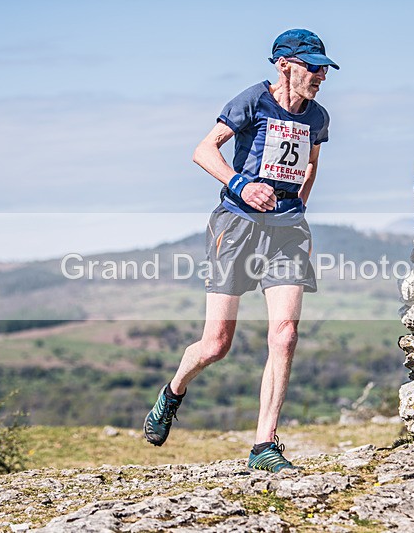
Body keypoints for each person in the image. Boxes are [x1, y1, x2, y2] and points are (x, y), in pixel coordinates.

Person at [143, 28, 338, 472]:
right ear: (284, 65)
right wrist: (242, 185)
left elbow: (310, 163)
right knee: (216, 343)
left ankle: (263, 446)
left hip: (286, 228)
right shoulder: (252, 100)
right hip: (236, 223)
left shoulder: (318, 117)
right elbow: (202, 150)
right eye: (312, 65)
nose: (321, 74)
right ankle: (173, 391)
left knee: (284, 334)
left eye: (324, 67)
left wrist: (297, 207)